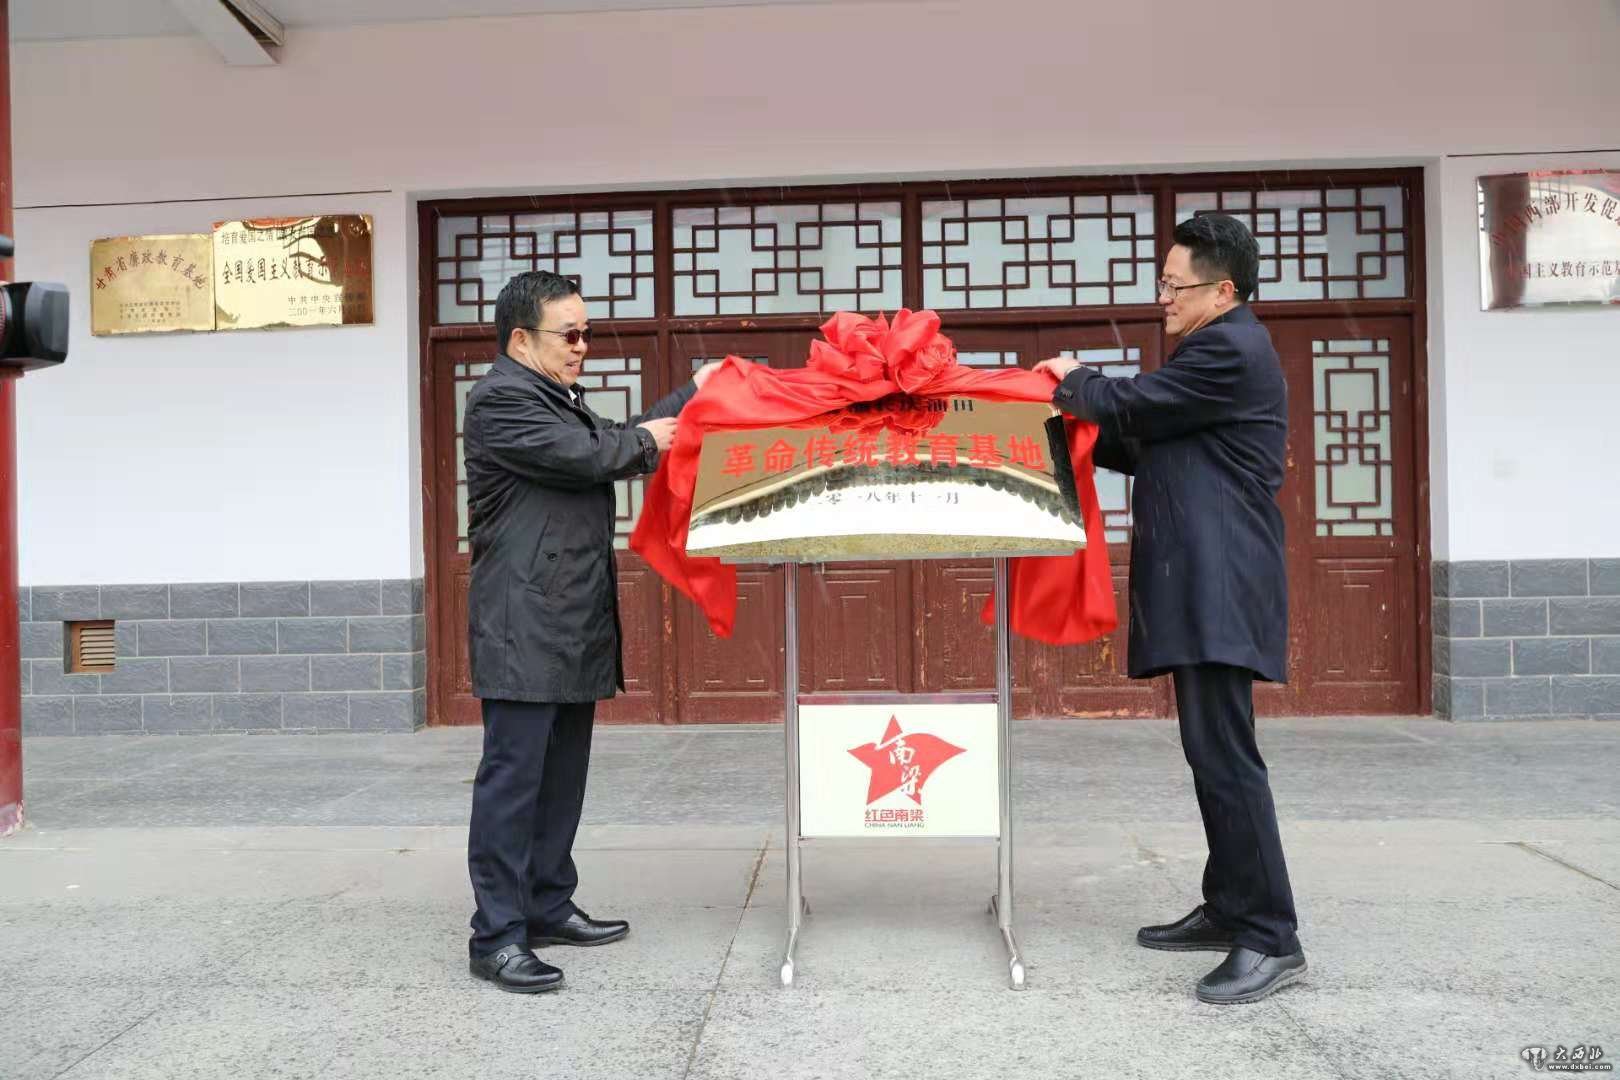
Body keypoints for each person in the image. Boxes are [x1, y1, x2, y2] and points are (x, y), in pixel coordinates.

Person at [1033, 213, 1305, 1005]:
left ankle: (1272, 937)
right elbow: (1145, 438)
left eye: (1175, 286)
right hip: (1203, 582)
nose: (1164, 298)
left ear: (1224, 291)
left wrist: (1075, 380)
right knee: (1209, 753)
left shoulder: (1232, 347)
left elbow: (1134, 404)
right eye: (1162, 283)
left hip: (1221, 583)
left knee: (1226, 758)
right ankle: (1230, 907)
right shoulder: (1211, 354)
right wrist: (1074, 423)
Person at [462, 269, 720, 993]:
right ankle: (496, 936)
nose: (582, 346)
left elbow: (610, 438)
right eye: (569, 334)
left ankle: (547, 904)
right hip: (522, 622)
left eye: (587, 333)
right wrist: (650, 438)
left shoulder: (554, 398)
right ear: (521, 340)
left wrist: (694, 393)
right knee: (514, 782)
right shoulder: (502, 401)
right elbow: (595, 455)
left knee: (561, 778)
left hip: (568, 617)